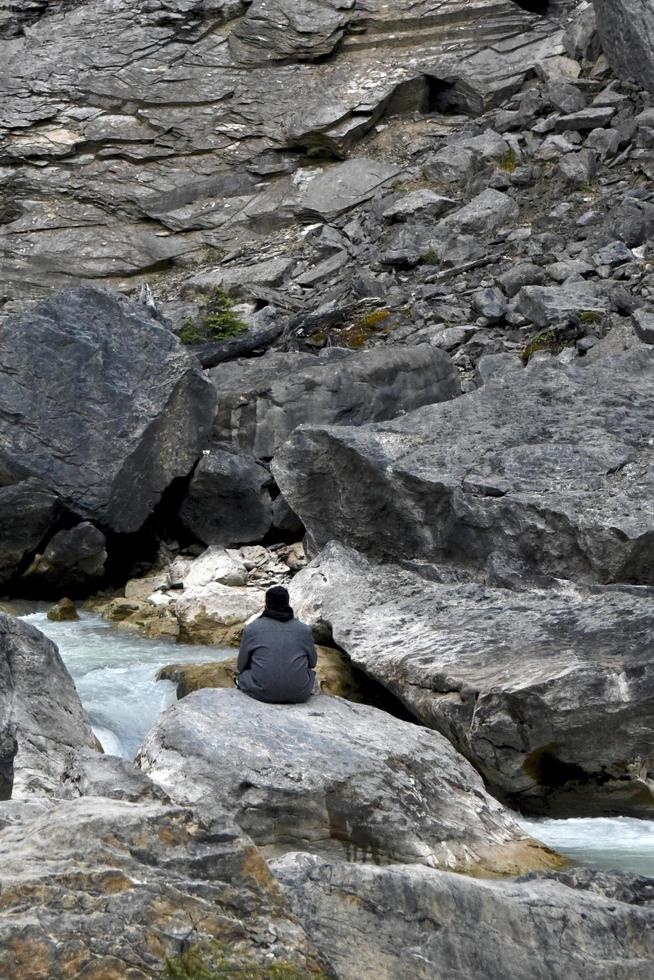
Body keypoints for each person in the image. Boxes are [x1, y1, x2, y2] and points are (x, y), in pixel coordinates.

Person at [236, 585, 317, 704]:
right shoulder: (304, 630)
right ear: (288, 603)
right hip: (299, 693)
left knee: (242, 676)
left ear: (266, 604)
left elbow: (241, 666)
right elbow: (313, 663)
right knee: (311, 674)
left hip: (262, 692)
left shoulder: (252, 629)